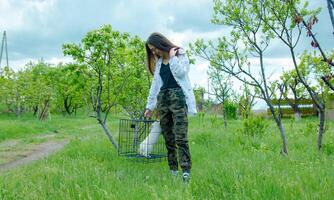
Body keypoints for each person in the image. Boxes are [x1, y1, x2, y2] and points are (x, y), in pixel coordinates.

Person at [143, 32, 197, 182]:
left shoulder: (180, 55)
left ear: (161, 44)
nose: (154, 52)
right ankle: (173, 170)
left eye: (155, 49)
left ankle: (186, 170)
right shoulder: (159, 63)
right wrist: (149, 106)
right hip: (163, 101)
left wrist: (172, 58)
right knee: (168, 138)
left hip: (178, 99)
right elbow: (155, 86)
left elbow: (181, 73)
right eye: (151, 50)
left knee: (181, 137)